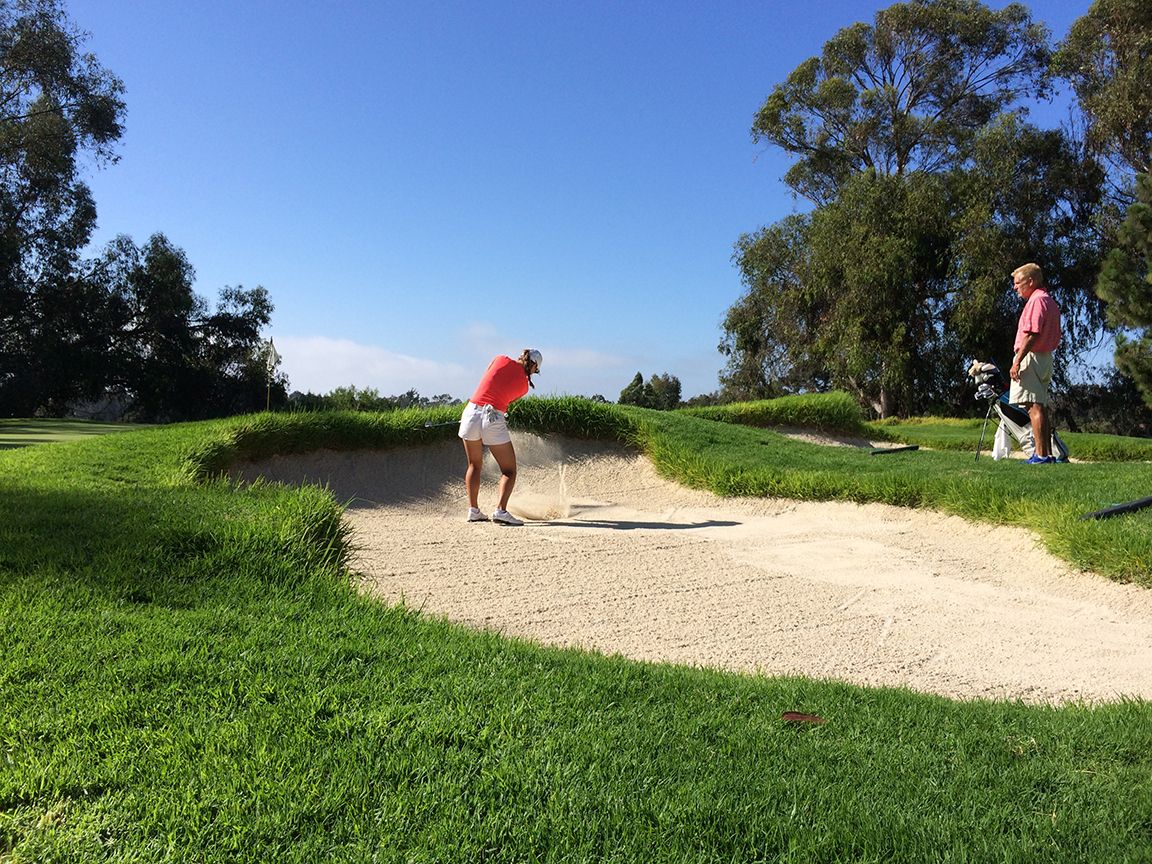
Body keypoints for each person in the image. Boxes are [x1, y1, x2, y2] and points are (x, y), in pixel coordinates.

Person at [458, 349, 542, 525]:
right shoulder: (524, 387)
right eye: (536, 370)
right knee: (509, 470)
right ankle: (500, 511)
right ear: (533, 366)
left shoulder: (500, 358)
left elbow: (490, 379)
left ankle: (473, 510)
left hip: (470, 413)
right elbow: (506, 400)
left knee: (474, 465)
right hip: (493, 418)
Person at [1008, 263, 1061, 464]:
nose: (1015, 287)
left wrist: (1017, 361)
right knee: (1040, 406)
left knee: (1033, 407)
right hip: (1045, 357)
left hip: (1032, 356)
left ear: (1030, 281)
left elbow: (1031, 334)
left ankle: (1040, 455)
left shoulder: (1036, 301)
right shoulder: (1049, 301)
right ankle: (1046, 454)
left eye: (1018, 282)